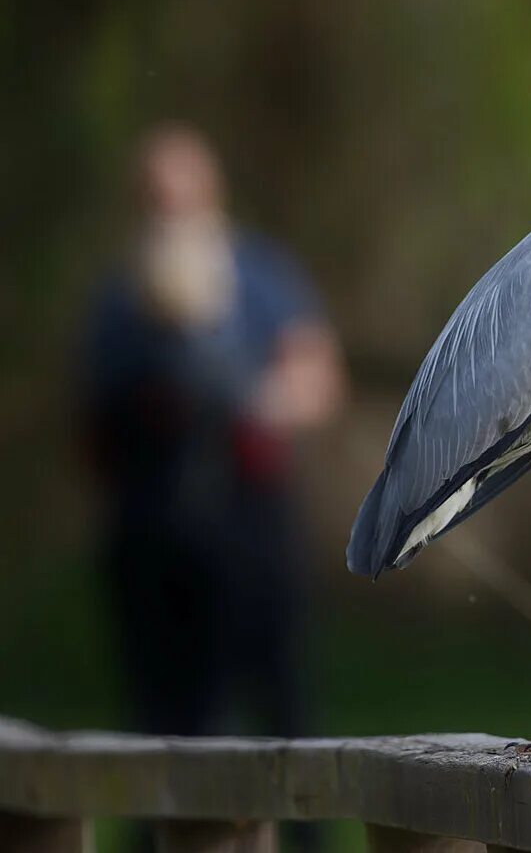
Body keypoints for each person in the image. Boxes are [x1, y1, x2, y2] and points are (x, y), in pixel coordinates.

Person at [80, 122, 343, 739]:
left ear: (212, 194)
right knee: (167, 721)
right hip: (154, 536)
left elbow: (320, 378)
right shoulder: (118, 301)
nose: (170, 211)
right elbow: (92, 426)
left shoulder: (262, 275)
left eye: (182, 196)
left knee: (282, 708)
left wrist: (261, 402)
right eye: (156, 198)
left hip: (254, 532)